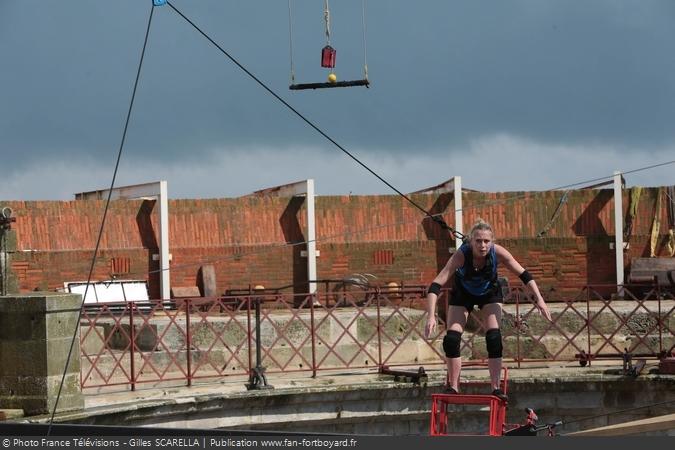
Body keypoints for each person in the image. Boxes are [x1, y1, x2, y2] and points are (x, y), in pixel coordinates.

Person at [424, 220, 552, 401]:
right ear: (471, 241)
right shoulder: (461, 256)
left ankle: (495, 387)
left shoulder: (498, 253)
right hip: (463, 294)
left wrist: (539, 299)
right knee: (451, 339)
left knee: (493, 337)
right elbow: (436, 285)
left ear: (492, 242)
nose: (482, 245)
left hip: (489, 293)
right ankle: (453, 386)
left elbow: (525, 275)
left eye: (486, 241)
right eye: (478, 241)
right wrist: (431, 316)